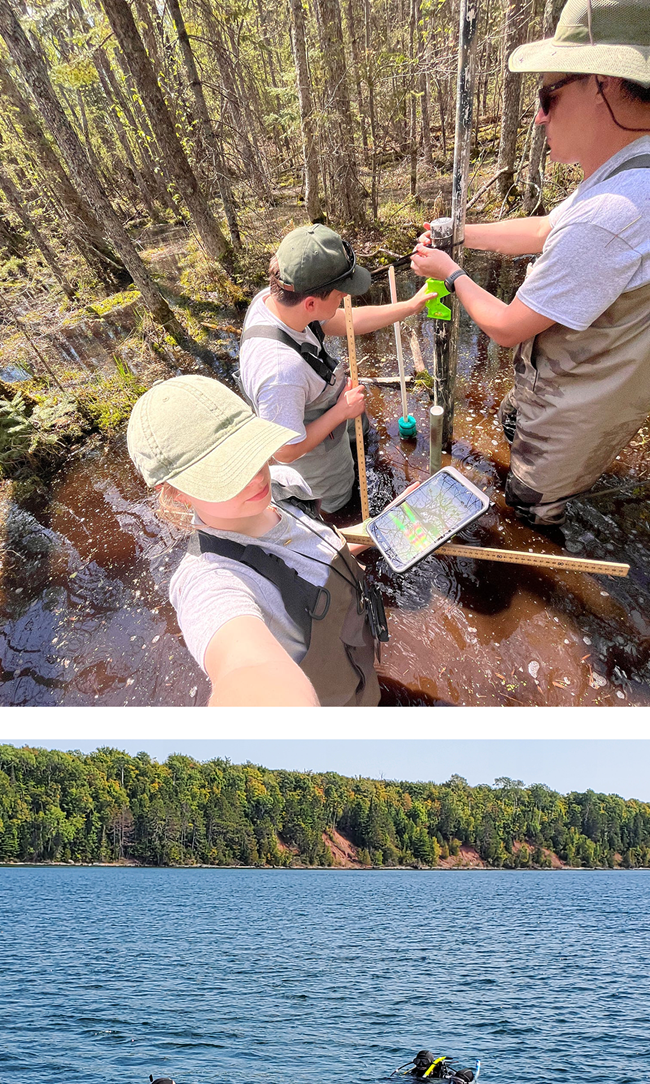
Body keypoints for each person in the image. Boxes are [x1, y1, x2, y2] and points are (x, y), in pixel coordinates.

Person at [411, 0, 650, 527]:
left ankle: (543, 524)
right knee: (513, 425)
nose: (540, 115)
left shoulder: (613, 212)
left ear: (603, 84)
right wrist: (461, 234)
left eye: (548, 96)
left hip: (576, 409)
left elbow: (505, 325)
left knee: (528, 504)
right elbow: (545, 229)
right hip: (591, 392)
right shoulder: (628, 173)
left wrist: (450, 273)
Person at [127, 375, 395, 707]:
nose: (255, 476)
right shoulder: (211, 581)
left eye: (249, 451)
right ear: (176, 491)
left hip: (359, 660)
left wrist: (384, 527)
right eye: (225, 472)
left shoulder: (282, 487)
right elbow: (247, 669)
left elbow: (316, 548)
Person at [239, 223, 435, 513]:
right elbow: (283, 451)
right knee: (339, 509)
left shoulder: (275, 301)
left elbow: (345, 320)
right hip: (317, 474)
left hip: (328, 426)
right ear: (310, 303)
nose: (345, 297)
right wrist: (341, 412)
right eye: (339, 293)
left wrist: (409, 306)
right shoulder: (281, 372)